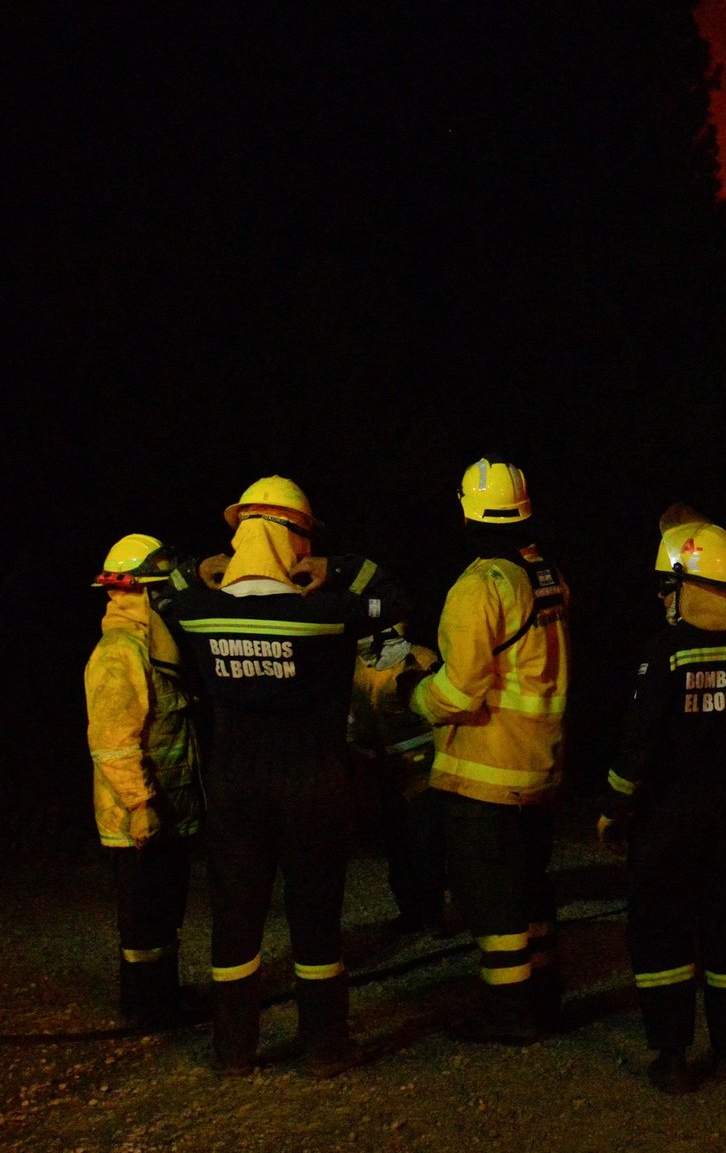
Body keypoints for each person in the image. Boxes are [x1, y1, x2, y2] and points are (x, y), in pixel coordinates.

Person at [153, 475, 408, 1078]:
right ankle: (324, 1049)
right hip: (314, 787)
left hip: (235, 789)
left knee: (235, 920)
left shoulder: (199, 612)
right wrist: (336, 567)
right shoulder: (324, 615)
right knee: (316, 920)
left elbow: (170, 584)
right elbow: (393, 596)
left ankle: (232, 1051)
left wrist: (208, 566)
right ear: (296, 541)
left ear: (242, 537)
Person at [597, 507, 726, 1094]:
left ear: (691, 587)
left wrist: (614, 808)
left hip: (668, 822)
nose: (665, 597)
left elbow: (638, 746)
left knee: (661, 933)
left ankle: (672, 1056)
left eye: (670, 585)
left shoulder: (664, 654)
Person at [402, 457, 571, 1044]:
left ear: (467, 512)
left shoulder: (479, 586)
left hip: (487, 771)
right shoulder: (544, 573)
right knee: (529, 889)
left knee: (493, 900)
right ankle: (544, 998)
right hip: (538, 765)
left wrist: (413, 691)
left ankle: (509, 1015)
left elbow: (460, 688)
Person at [84, 534, 203, 1029]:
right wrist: (140, 806)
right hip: (139, 818)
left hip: (164, 810)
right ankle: (146, 1008)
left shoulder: (150, 646)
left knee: (163, 910)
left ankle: (164, 998)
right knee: (143, 919)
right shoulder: (120, 651)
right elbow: (113, 742)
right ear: (145, 591)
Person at [348, 623, 448, 937]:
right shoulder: (356, 666)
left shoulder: (420, 658)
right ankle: (409, 911)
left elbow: (437, 708)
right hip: (383, 771)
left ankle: (434, 914)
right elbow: (354, 713)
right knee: (397, 847)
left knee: (426, 845)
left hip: (421, 771)